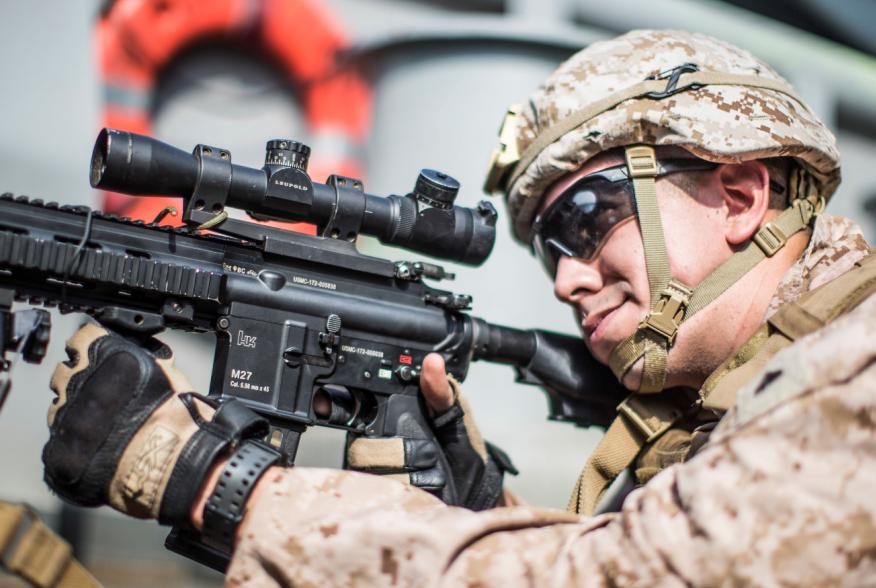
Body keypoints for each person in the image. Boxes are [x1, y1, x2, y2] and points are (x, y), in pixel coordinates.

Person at [41, 29, 875, 586]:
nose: (565, 280)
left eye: (585, 221)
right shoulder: (727, 411)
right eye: (548, 246)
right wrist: (482, 513)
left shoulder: (856, 372)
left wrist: (219, 484)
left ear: (739, 196)